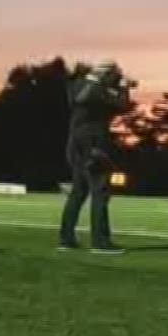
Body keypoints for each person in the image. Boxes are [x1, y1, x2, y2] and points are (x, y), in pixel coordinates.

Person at [58, 60, 132, 253]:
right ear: (106, 74)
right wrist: (124, 88)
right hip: (94, 143)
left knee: (78, 192)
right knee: (100, 191)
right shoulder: (98, 91)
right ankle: (100, 241)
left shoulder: (75, 86)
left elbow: (85, 97)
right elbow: (122, 105)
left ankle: (66, 239)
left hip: (75, 144)